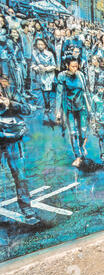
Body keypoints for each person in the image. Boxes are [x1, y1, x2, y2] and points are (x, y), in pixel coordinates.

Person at [0, 69, 38, 224]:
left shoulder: (10, 90)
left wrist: (10, 103)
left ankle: (27, 209)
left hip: (12, 139)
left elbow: (28, 109)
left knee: (20, 175)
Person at [55, 56, 91, 168]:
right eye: (72, 66)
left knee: (83, 131)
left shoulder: (81, 75)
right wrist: (58, 111)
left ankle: (81, 147)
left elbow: (86, 92)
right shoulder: (62, 76)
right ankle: (77, 156)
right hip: (70, 107)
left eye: (76, 66)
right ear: (67, 66)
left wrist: (90, 106)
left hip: (81, 107)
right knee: (73, 132)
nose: (75, 68)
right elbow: (59, 94)